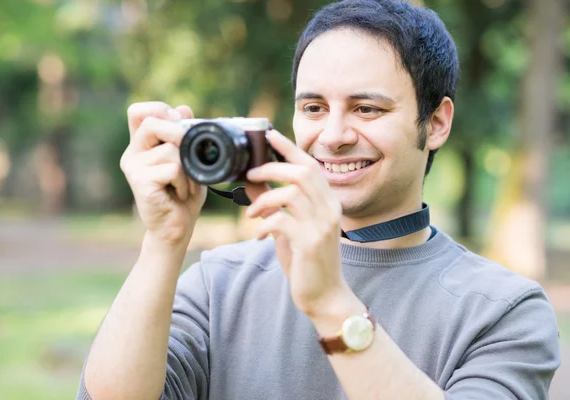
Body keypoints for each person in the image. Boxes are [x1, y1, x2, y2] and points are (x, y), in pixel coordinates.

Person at [77, 0, 560, 399]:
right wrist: (163, 241)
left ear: (436, 123)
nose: (332, 136)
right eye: (313, 107)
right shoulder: (218, 285)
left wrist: (331, 301)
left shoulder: (504, 310)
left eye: (366, 108)